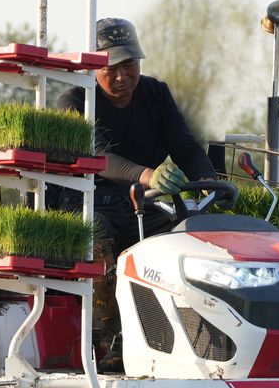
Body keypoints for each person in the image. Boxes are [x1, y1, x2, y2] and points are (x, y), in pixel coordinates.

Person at [55, 17, 219, 343]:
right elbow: (99, 157)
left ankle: (191, 338)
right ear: (92, 68)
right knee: (95, 235)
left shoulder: (156, 94)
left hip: (144, 202)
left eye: (129, 64)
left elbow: (185, 146)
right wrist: (148, 175)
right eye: (110, 68)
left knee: (190, 237)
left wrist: (207, 180)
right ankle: (109, 341)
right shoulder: (73, 102)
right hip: (88, 203)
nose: (121, 76)